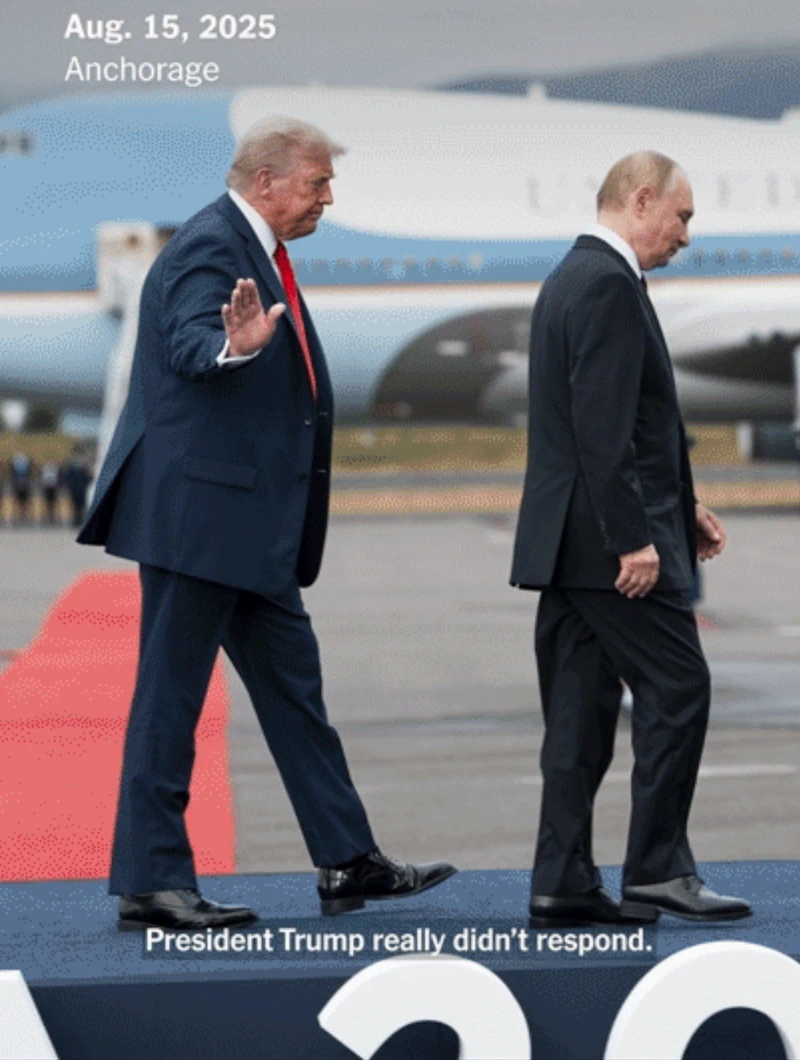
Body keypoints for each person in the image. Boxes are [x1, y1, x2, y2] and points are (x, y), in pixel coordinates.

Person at [78, 118, 455, 931]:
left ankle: (347, 858)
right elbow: (189, 343)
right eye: (317, 182)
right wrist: (233, 346)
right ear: (266, 182)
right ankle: (151, 882)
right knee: (171, 700)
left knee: (294, 694)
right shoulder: (210, 247)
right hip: (201, 521)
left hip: (248, 524)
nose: (328, 198)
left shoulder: (255, 249)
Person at [510, 151, 751, 927]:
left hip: (568, 545)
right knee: (679, 690)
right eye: (682, 216)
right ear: (642, 200)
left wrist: (684, 506)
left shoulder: (571, 277)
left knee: (578, 719)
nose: (686, 235)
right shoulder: (609, 285)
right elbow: (602, 428)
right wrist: (634, 540)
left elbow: (622, 425)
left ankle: (562, 882)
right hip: (610, 549)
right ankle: (658, 869)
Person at [61, 446, 93, 528]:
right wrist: (69, 486)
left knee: (81, 505)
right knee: (75, 505)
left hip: (82, 488)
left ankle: (81, 521)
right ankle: (76, 521)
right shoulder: (71, 464)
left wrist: (86, 484)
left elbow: (89, 477)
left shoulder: (85, 464)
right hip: (74, 488)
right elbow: (68, 477)